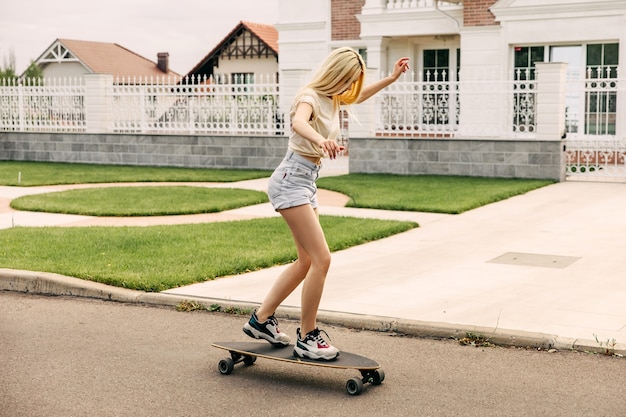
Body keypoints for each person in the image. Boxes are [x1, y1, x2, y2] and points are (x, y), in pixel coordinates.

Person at [243, 47, 410, 360]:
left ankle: (261, 320)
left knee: (307, 261)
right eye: (347, 79)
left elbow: (359, 97)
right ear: (336, 73)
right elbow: (298, 123)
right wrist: (320, 141)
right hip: (291, 179)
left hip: (306, 181)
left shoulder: (334, 98)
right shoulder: (311, 96)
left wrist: (391, 77)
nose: (350, 86)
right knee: (322, 259)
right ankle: (307, 336)